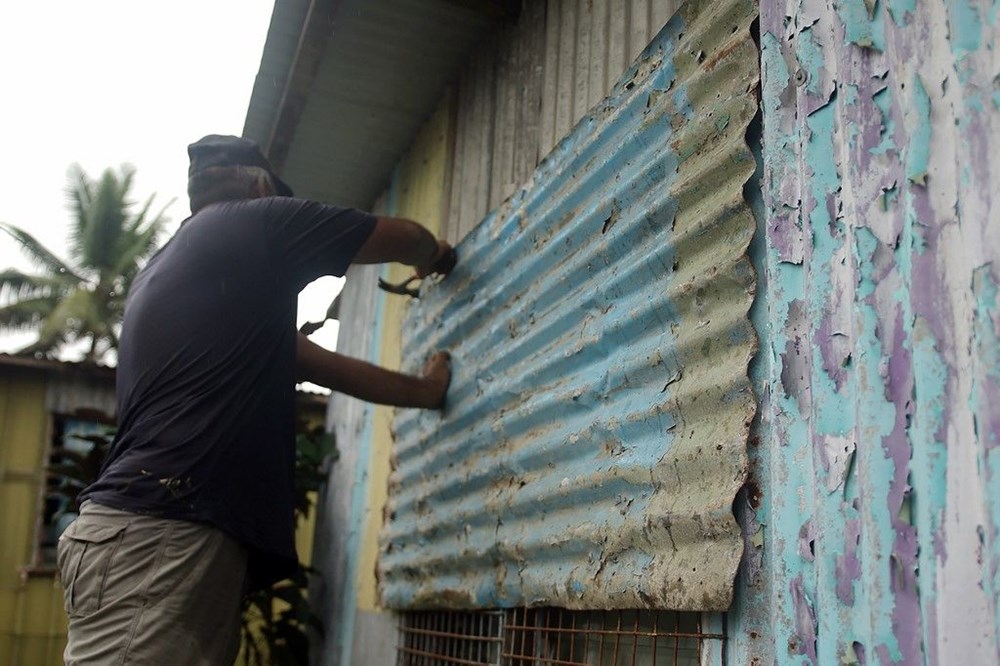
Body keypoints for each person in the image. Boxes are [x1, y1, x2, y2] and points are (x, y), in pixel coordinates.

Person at [56, 135, 455, 664]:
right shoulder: (254, 221)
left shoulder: (188, 280)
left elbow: (336, 371)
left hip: (153, 534)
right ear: (264, 187)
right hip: (159, 533)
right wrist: (437, 255)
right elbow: (400, 238)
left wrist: (427, 391)